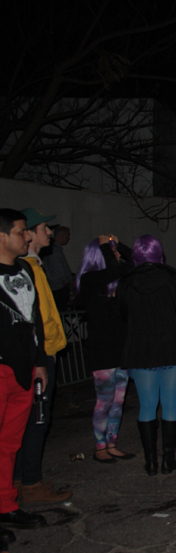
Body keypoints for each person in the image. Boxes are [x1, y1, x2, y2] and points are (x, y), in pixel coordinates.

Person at [116, 235, 176, 476]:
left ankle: (150, 463)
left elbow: (121, 313)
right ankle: (168, 460)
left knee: (147, 406)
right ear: (160, 254)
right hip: (172, 347)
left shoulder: (126, 282)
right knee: (171, 404)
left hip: (141, 348)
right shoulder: (173, 278)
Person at [0, 209, 49, 553]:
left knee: (9, 443)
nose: (27, 237)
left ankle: (6, 505)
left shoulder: (25, 270)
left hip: (24, 369)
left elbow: (34, 318)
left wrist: (41, 361)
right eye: (20, 232)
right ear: (2, 237)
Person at [15, 208, 71, 506]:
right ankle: (30, 483)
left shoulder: (34, 265)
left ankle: (26, 477)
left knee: (34, 419)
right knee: (36, 419)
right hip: (40, 354)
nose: (49, 233)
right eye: (44, 228)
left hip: (45, 350)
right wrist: (41, 356)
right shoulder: (24, 268)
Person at [73, 235, 135, 463]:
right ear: (100, 256)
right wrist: (107, 248)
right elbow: (113, 270)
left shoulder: (117, 283)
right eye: (112, 253)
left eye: (116, 252)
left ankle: (112, 443)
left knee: (119, 400)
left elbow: (135, 263)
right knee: (105, 400)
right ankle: (99, 447)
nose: (117, 256)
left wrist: (120, 246)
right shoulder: (91, 280)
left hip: (120, 348)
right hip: (102, 350)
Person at [41, 225, 73, 312]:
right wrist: (66, 281)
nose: (69, 238)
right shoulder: (55, 251)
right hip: (59, 288)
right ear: (61, 236)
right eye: (67, 236)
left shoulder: (52, 249)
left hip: (55, 287)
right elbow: (59, 269)